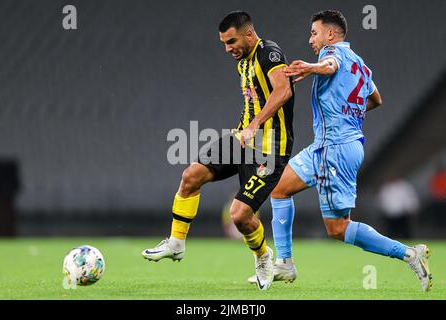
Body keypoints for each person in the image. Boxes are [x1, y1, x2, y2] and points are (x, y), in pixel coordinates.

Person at [248, 10, 432, 292]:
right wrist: (350, 113)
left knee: (337, 229)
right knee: (279, 187)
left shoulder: (332, 53)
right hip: (328, 146)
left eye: (314, 32)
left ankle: (408, 253)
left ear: (330, 34)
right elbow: (376, 99)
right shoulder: (359, 63)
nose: (311, 39)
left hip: (335, 148)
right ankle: (284, 263)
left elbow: (330, 66)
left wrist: (309, 67)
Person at [142, 11, 295, 291]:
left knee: (240, 217)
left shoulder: (269, 53)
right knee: (191, 176)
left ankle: (263, 257)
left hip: (270, 150)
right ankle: (176, 243)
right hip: (240, 140)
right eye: (224, 43)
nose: (228, 49)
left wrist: (257, 124)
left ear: (249, 34)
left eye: (231, 41)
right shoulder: (243, 64)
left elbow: (282, 91)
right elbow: (274, 89)